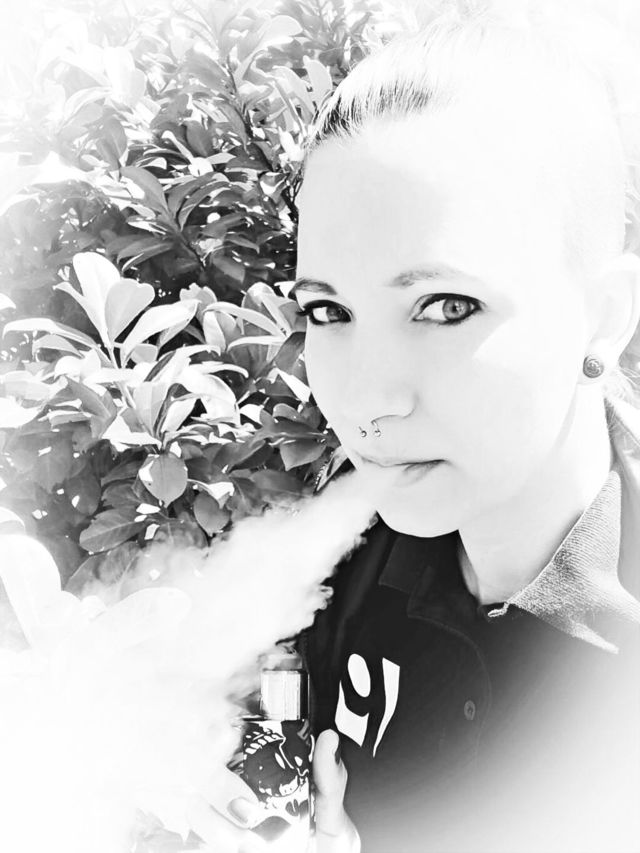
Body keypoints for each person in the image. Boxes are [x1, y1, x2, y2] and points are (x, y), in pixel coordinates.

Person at [194, 3, 640, 851]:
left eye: (445, 305)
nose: (367, 400)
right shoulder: (349, 557)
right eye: (329, 311)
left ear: (605, 315)